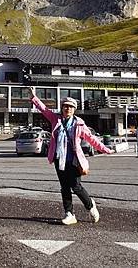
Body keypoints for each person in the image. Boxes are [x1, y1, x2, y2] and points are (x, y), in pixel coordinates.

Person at [28, 86, 113, 225]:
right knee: (64, 187)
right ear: (62, 108)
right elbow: (44, 110)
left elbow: (91, 139)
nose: (67, 109)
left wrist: (105, 149)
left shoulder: (79, 124)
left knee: (76, 186)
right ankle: (69, 213)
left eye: (70, 107)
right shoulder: (56, 120)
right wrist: (34, 97)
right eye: (65, 106)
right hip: (59, 160)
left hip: (73, 160)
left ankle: (90, 206)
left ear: (74, 109)